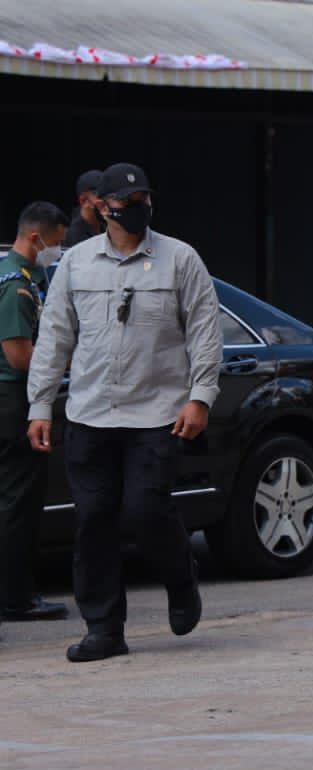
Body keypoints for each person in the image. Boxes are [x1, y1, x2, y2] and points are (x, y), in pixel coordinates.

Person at [27, 163, 220, 662]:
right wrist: (41, 404)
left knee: (145, 509)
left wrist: (201, 396)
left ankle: (181, 578)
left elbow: (204, 332)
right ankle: (105, 629)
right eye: (127, 203)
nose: (137, 210)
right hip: (91, 411)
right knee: (93, 520)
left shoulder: (181, 258)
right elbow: (54, 336)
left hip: (156, 412)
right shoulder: (76, 262)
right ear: (101, 208)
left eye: (144, 201)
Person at [0, 202, 70, 624]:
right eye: (56, 244)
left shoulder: (28, 276)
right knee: (18, 505)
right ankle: (16, 598)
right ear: (35, 238)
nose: (56, 252)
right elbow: (18, 354)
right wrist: (67, 360)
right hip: (13, 402)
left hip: (13, 400)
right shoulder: (16, 285)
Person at [63, 169, 103, 248]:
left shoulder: (107, 225)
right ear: (83, 201)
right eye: (101, 196)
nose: (107, 201)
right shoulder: (71, 235)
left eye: (109, 195)